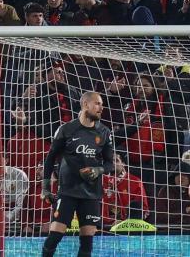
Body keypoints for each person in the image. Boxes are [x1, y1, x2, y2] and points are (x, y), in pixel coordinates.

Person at [40, 92, 114, 257]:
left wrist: (98, 170)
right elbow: (50, 159)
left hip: (91, 193)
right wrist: (45, 188)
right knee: (55, 237)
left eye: (102, 104)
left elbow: (110, 163)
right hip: (67, 191)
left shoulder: (104, 132)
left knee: (87, 244)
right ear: (85, 105)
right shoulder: (66, 129)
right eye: (97, 104)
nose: (101, 108)